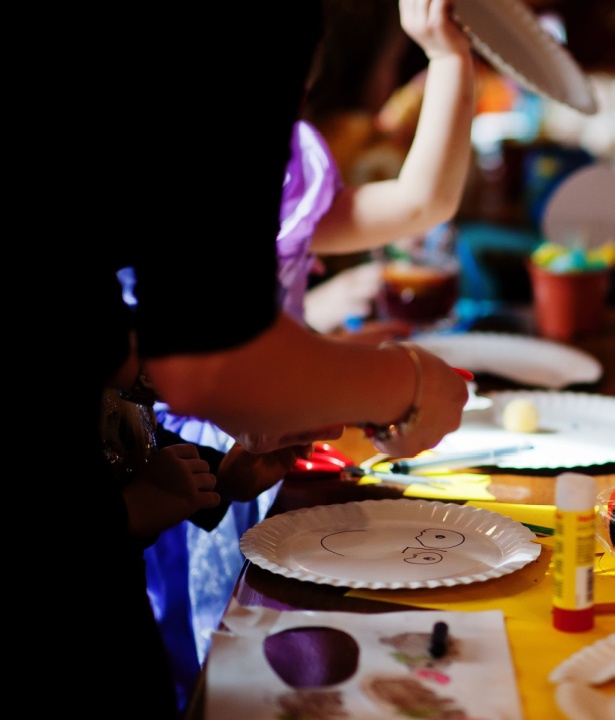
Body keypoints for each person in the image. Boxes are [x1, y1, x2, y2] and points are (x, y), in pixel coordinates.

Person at [60, 1, 470, 716]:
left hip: (215, 449)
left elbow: (420, 200)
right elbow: (207, 369)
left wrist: (450, 60)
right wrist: (397, 383)